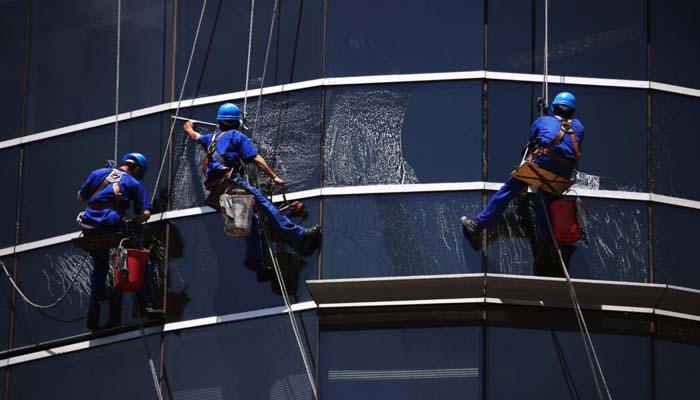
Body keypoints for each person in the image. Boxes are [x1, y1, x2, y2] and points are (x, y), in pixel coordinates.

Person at [183, 103, 321, 276]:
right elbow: (256, 159)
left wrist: (188, 125)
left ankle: (253, 259)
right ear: (236, 123)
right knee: (267, 206)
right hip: (233, 181)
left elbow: (194, 136)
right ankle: (300, 236)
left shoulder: (211, 139)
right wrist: (274, 176)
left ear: (219, 121)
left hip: (218, 189)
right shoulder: (236, 136)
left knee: (252, 222)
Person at [461, 92, 584, 273]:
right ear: (571, 111)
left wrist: (543, 113)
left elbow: (535, 140)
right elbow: (560, 130)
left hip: (542, 164)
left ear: (554, 107)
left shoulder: (541, 121)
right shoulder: (579, 126)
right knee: (545, 210)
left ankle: (479, 225)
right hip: (561, 174)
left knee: (509, 190)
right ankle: (544, 254)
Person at [76, 153, 153, 331]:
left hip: (89, 226)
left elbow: (80, 197)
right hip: (112, 225)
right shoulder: (133, 183)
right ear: (138, 169)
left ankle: (94, 310)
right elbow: (146, 213)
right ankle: (142, 306)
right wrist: (133, 224)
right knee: (144, 260)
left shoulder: (97, 173)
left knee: (100, 267)